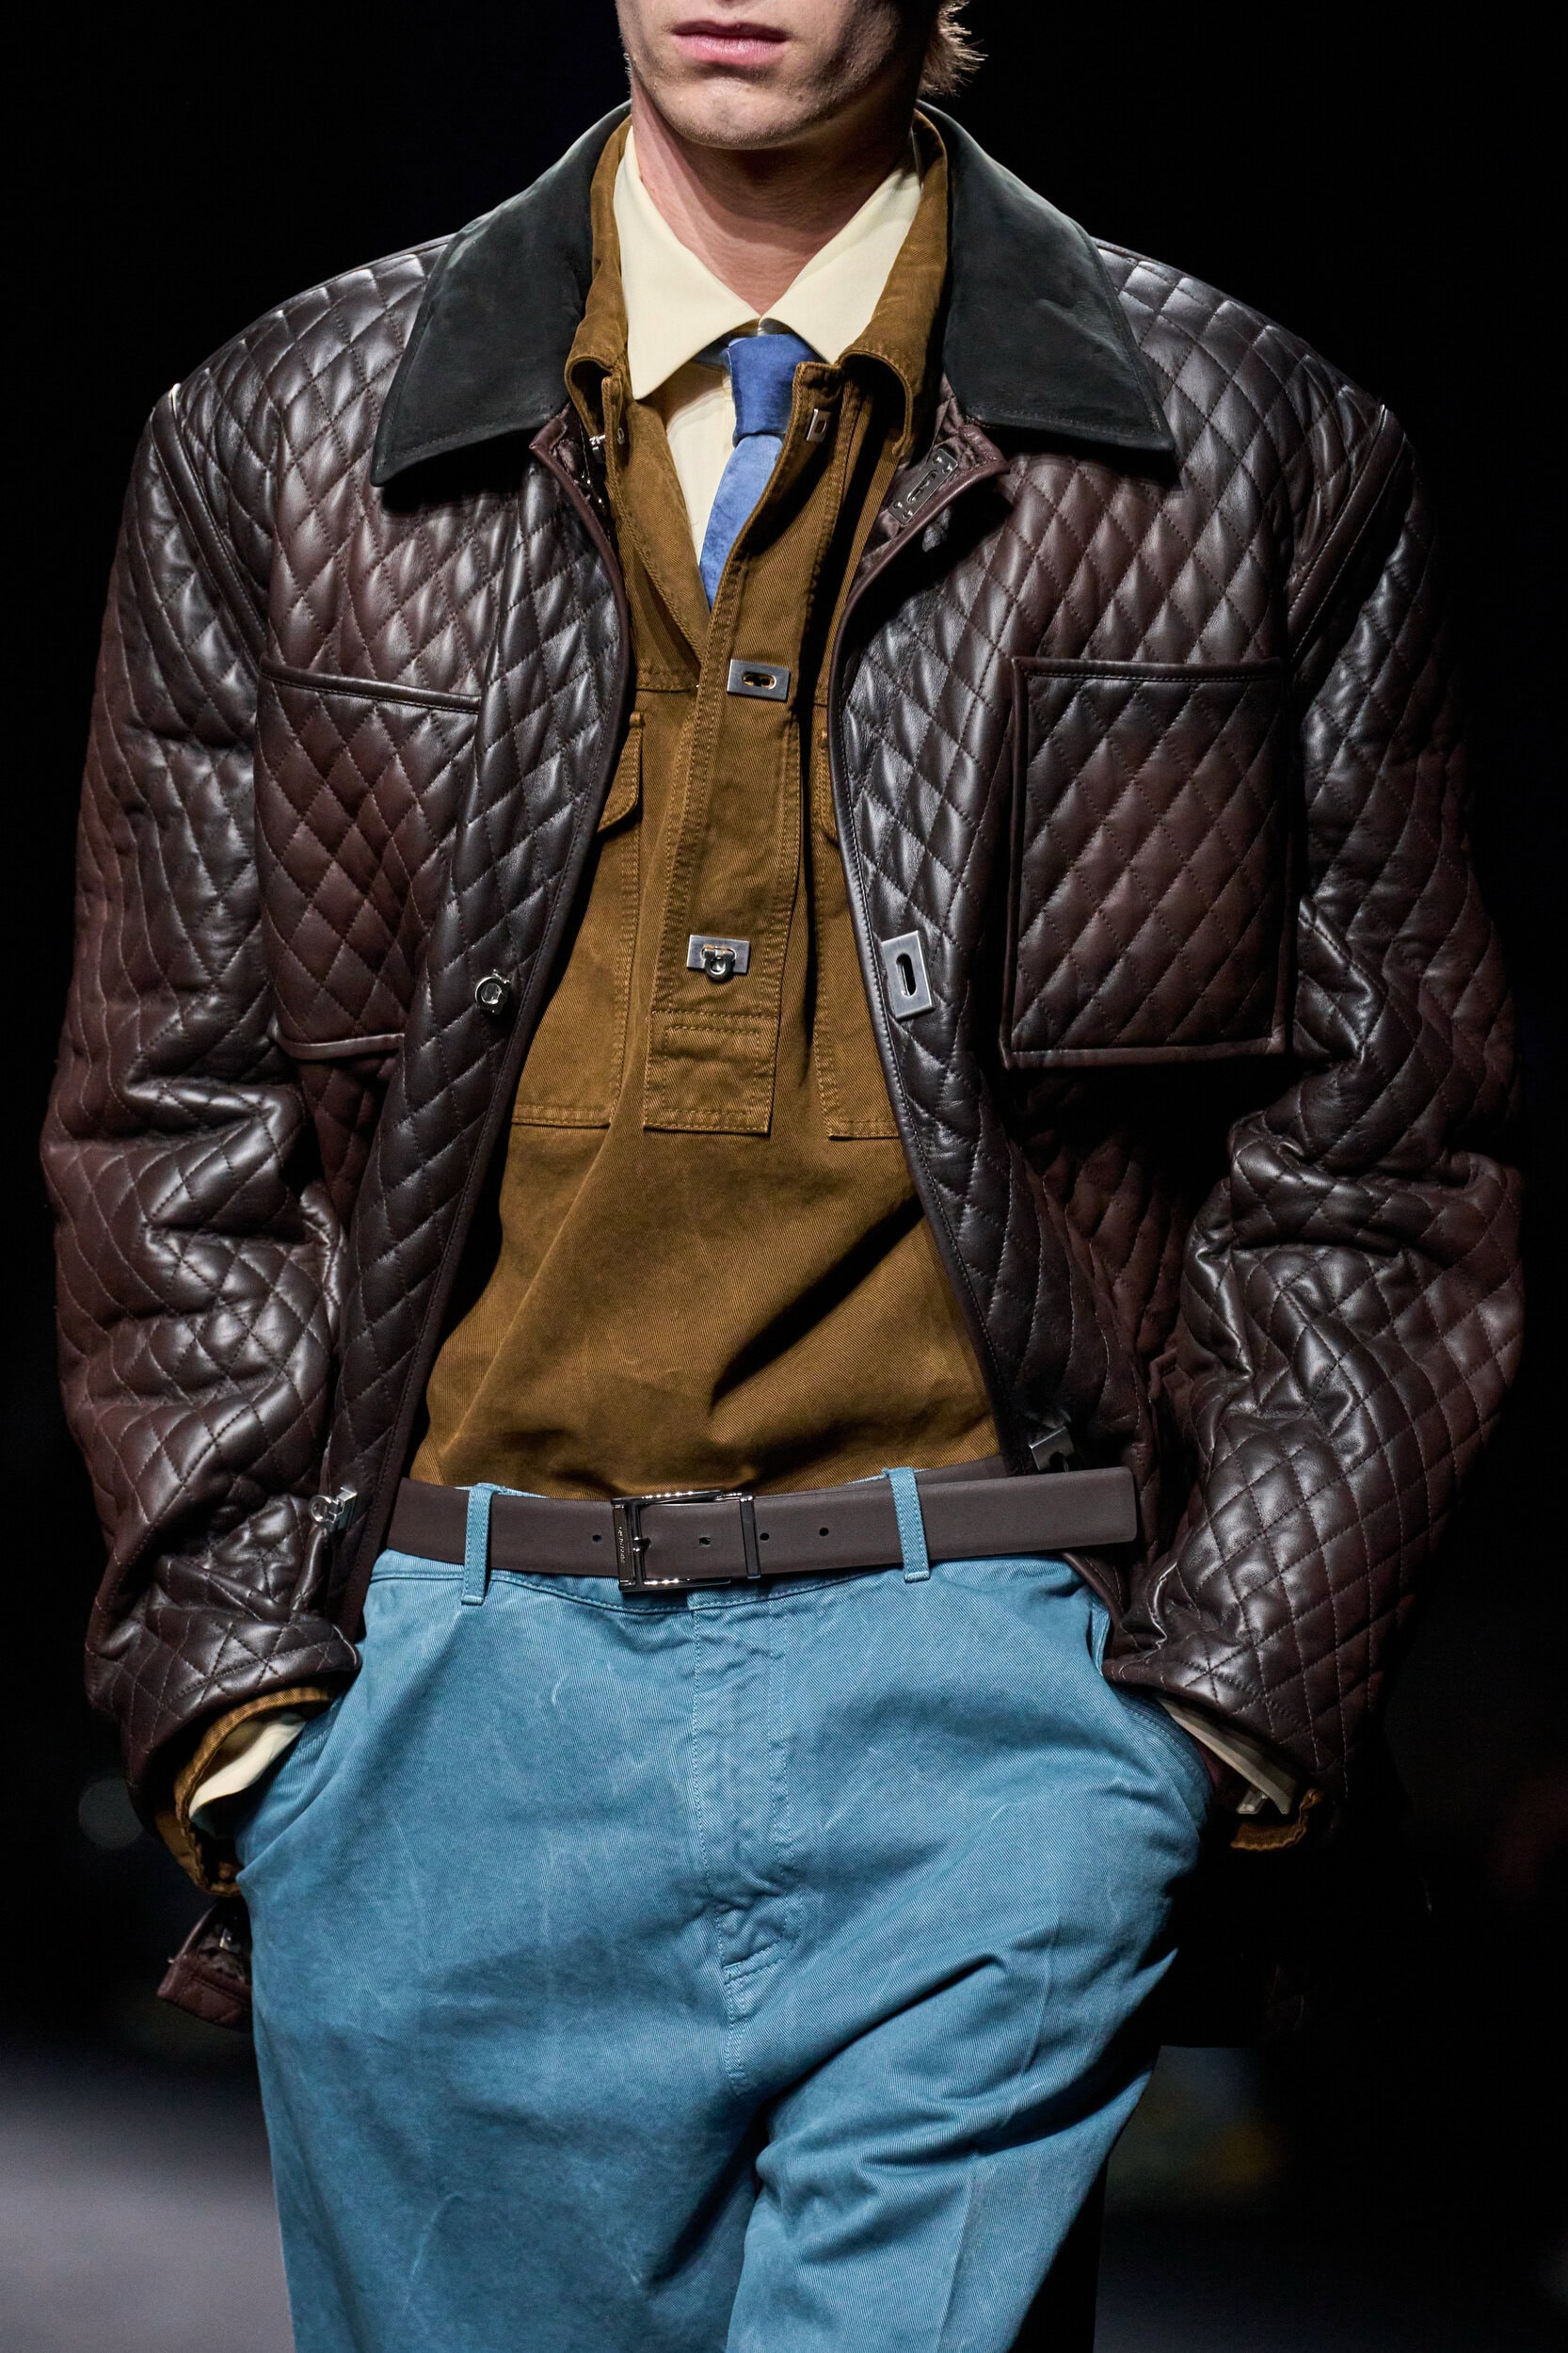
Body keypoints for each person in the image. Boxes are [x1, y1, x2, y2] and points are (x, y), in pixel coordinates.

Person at [42, 2, 1522, 2347]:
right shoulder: (287, 427)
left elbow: (1383, 1148)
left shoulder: (1249, 443)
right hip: (444, 1706)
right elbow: (166, 1108)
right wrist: (250, 1718)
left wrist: (1193, 1728)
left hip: (993, 1696)